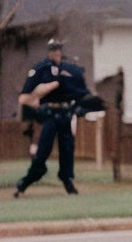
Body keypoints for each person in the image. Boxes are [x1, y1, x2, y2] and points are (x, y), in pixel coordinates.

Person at [13, 38, 90, 198]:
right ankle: (25, 183)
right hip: (50, 115)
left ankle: (68, 182)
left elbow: (81, 92)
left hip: (66, 114)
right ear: (49, 51)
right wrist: (50, 88)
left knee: (67, 150)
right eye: (53, 49)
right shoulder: (40, 70)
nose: (56, 52)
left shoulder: (70, 69)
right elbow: (24, 97)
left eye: (58, 49)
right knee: (43, 152)